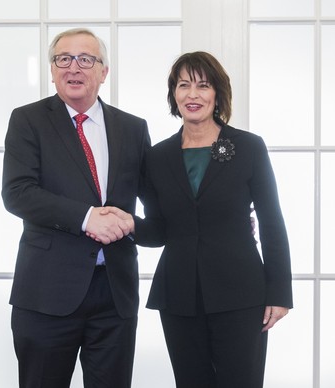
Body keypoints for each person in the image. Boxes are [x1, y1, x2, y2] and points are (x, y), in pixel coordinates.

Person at [101, 51, 293, 387]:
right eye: (183, 85)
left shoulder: (248, 147)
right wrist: (131, 224)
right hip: (178, 295)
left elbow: (272, 221)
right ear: (173, 94)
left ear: (217, 93)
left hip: (242, 293)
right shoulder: (158, 156)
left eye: (203, 85)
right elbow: (159, 228)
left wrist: (279, 292)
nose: (193, 94)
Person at [1, 28, 150, 388]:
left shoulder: (132, 128)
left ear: (103, 72)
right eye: (63, 59)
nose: (74, 68)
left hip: (114, 295)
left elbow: (158, 203)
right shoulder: (27, 120)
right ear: (52, 70)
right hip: (46, 294)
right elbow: (17, 193)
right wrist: (86, 219)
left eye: (86, 59)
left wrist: (222, 218)